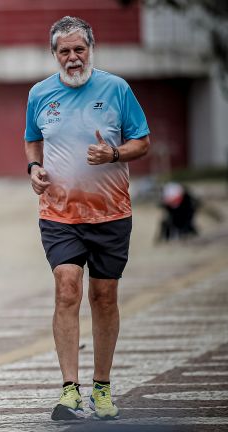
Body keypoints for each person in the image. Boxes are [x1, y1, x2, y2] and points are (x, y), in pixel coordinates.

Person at [24, 17, 150, 421]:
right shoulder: (40, 94)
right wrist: (34, 169)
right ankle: (69, 391)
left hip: (111, 212)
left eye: (79, 50)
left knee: (104, 296)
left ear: (90, 49)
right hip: (59, 213)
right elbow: (32, 139)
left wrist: (113, 154)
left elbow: (142, 142)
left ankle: (102, 386)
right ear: (54, 55)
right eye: (65, 51)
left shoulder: (117, 89)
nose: (73, 58)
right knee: (66, 287)